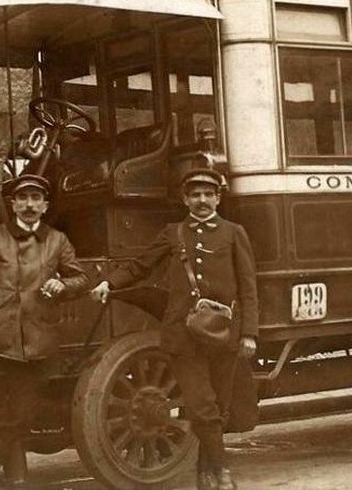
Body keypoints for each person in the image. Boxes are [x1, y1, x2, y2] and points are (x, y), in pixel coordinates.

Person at [91, 168, 258, 490]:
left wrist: (249, 333)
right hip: (183, 337)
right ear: (185, 199)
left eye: (208, 194)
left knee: (218, 410)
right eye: (195, 195)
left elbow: (249, 287)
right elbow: (140, 266)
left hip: (224, 336)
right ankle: (222, 472)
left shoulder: (235, 233)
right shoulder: (173, 233)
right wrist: (108, 283)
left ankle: (203, 471)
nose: (202, 201)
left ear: (218, 197)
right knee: (201, 406)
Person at [0, 174, 89, 489]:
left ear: (45, 205)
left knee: (21, 417)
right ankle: (17, 480)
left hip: (39, 344)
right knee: (4, 418)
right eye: (23, 198)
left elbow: (82, 279)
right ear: (12, 204)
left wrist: (63, 284)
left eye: (36, 199)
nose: (29, 205)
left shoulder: (57, 241)